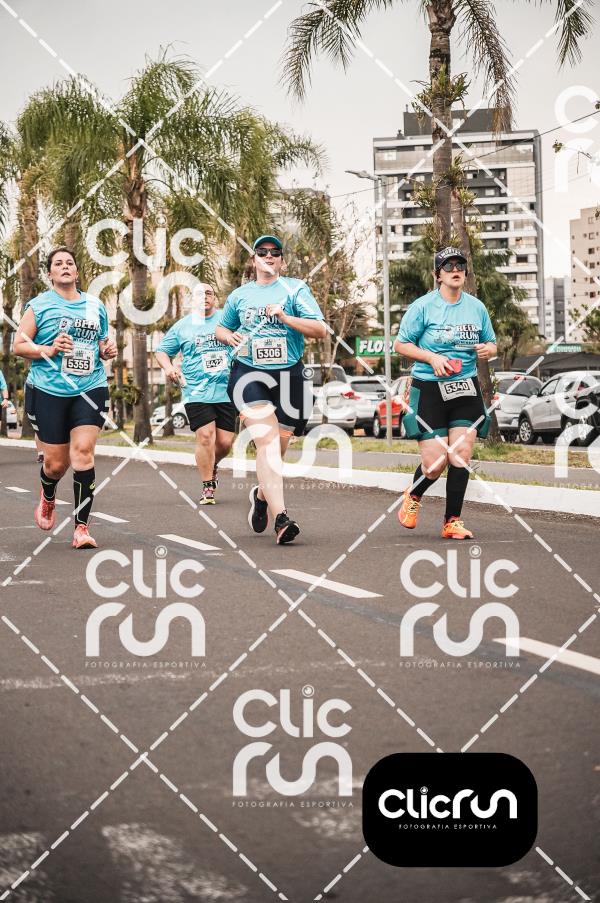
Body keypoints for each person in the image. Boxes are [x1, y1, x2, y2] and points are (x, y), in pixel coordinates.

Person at [216, 235, 326, 544]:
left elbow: (320, 329)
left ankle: (261, 496)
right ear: (253, 260)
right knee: (266, 441)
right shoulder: (240, 295)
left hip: (289, 375)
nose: (268, 256)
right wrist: (229, 337)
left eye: (274, 252)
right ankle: (281, 519)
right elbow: (221, 328)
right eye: (262, 252)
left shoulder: (295, 289)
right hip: (249, 373)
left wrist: (285, 317)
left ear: (281, 260)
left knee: (277, 450)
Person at [13, 246, 117, 549]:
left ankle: (81, 528)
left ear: (77, 271)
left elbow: (101, 344)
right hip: (49, 390)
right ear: (50, 274)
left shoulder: (95, 306)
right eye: (58, 263)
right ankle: (48, 496)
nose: (65, 266)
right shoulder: (39, 306)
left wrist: (106, 350)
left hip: (90, 386)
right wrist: (49, 349)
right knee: (56, 465)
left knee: (83, 453)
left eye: (70, 262)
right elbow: (19, 346)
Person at [394, 246, 497, 540]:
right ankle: (414, 495)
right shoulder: (423, 307)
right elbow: (400, 345)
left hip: (465, 387)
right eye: (448, 266)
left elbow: (492, 343)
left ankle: (452, 521)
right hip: (429, 388)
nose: (455, 270)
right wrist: (432, 358)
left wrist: (488, 349)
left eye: (460, 265)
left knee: (460, 454)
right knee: (434, 465)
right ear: (437, 274)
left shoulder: (476, 307)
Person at [155, 283, 236, 505]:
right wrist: (169, 367)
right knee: (205, 436)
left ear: (215, 298)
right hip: (196, 390)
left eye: (209, 293)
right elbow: (162, 351)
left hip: (226, 390)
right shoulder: (183, 326)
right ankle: (208, 486)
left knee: (225, 443)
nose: (205, 297)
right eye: (199, 294)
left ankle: (212, 464)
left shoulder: (228, 320)